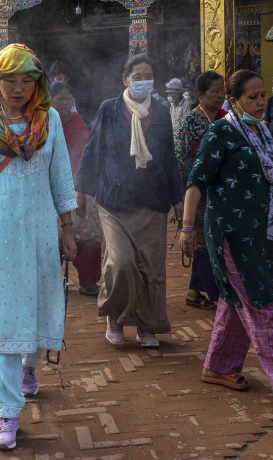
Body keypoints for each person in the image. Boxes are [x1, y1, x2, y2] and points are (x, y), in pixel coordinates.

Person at [0, 44, 77, 452]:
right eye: (10, 80)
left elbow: (61, 176)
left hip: (40, 229)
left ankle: (29, 367)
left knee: (36, 304)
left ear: (37, 83)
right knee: (1, 316)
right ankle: (7, 411)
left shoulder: (50, 120)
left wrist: (68, 227)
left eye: (27, 80)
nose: (18, 88)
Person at [182, 70, 273, 412]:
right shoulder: (221, 131)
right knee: (262, 304)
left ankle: (217, 367)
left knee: (236, 300)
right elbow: (196, 180)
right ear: (234, 101)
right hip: (231, 233)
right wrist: (187, 228)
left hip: (261, 231)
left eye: (264, 95)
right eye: (253, 96)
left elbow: (271, 179)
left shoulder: (261, 129)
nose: (261, 102)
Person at [76, 54, 183, 348]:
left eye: (147, 76)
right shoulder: (109, 109)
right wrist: (81, 190)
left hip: (152, 200)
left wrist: (177, 198)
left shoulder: (161, 112)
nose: (142, 82)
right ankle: (115, 316)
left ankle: (148, 325)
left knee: (151, 267)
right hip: (114, 200)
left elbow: (169, 158)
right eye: (136, 77)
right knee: (121, 262)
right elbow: (92, 149)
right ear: (125, 79)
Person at [174, 71, 227, 311]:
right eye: (215, 92)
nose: (220, 96)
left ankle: (194, 292)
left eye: (222, 91)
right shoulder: (191, 122)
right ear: (199, 95)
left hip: (223, 191)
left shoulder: (226, 118)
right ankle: (218, 295)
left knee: (216, 240)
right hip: (198, 191)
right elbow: (180, 158)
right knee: (203, 243)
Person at [51, 81, 102, 296]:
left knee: (88, 235)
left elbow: (87, 155)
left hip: (77, 185)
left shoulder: (77, 120)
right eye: (60, 98)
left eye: (68, 98)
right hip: (50, 186)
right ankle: (51, 283)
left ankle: (88, 282)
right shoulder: (43, 123)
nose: (65, 102)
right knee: (52, 236)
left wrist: (83, 187)